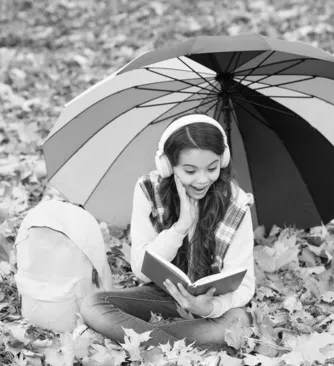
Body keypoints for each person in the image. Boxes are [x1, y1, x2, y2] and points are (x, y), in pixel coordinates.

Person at [80, 114, 255, 348]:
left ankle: (143, 338)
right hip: (163, 295)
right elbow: (142, 272)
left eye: (211, 168)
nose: (203, 180)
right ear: (168, 165)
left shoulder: (236, 205)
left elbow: (245, 286)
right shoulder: (148, 191)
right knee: (94, 305)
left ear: (222, 161)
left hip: (212, 303)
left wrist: (211, 307)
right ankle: (175, 342)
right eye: (190, 171)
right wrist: (180, 227)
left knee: (239, 320)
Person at [14, 200, 114, 333]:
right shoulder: (84, 221)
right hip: (72, 321)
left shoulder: (39, 213)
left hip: (29, 312)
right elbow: (101, 270)